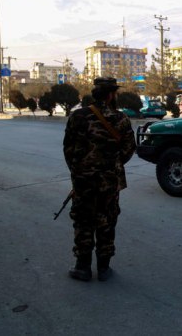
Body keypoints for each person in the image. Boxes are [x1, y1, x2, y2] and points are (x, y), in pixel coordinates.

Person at [63, 77, 136, 282]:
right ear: (111, 95)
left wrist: (78, 171)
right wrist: (113, 166)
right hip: (110, 181)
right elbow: (129, 149)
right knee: (107, 221)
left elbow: (68, 148)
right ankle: (104, 268)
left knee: (83, 221)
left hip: (83, 180)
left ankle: (82, 267)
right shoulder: (121, 118)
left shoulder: (78, 116)